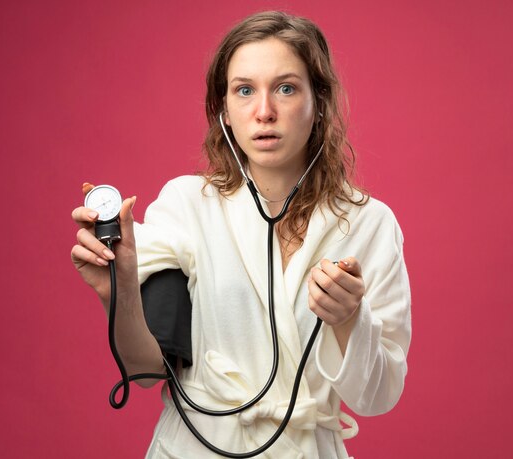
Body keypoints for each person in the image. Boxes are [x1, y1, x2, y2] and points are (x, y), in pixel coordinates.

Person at [71, 10, 411, 459]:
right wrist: (116, 290)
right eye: (244, 90)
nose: (264, 111)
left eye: (286, 88)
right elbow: (147, 370)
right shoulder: (187, 205)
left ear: (320, 101)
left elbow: (378, 396)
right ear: (224, 110)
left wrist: (351, 319)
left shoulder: (370, 224)